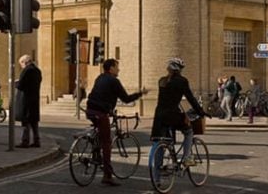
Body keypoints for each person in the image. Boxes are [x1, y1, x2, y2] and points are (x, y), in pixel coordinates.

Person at [85, 58, 147, 186]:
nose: (119, 69)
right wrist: (140, 93)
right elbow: (126, 99)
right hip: (100, 112)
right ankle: (107, 176)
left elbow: (101, 94)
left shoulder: (99, 77)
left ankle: (96, 153)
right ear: (111, 68)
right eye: (117, 67)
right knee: (106, 143)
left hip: (90, 109)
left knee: (100, 134)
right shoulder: (114, 81)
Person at [151, 57, 206, 167]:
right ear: (179, 69)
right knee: (189, 131)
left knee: (161, 142)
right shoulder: (182, 81)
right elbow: (190, 98)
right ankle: (186, 158)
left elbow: (167, 98)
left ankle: (157, 178)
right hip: (172, 115)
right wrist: (200, 112)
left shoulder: (162, 81)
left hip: (159, 116)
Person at [15, 54, 42, 148]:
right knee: (34, 122)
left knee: (25, 121)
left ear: (24, 62)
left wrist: (16, 83)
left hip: (26, 99)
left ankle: (25, 141)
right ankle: (36, 140)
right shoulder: (38, 71)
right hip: (35, 99)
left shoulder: (26, 70)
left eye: (21, 64)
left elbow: (21, 85)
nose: (21, 66)